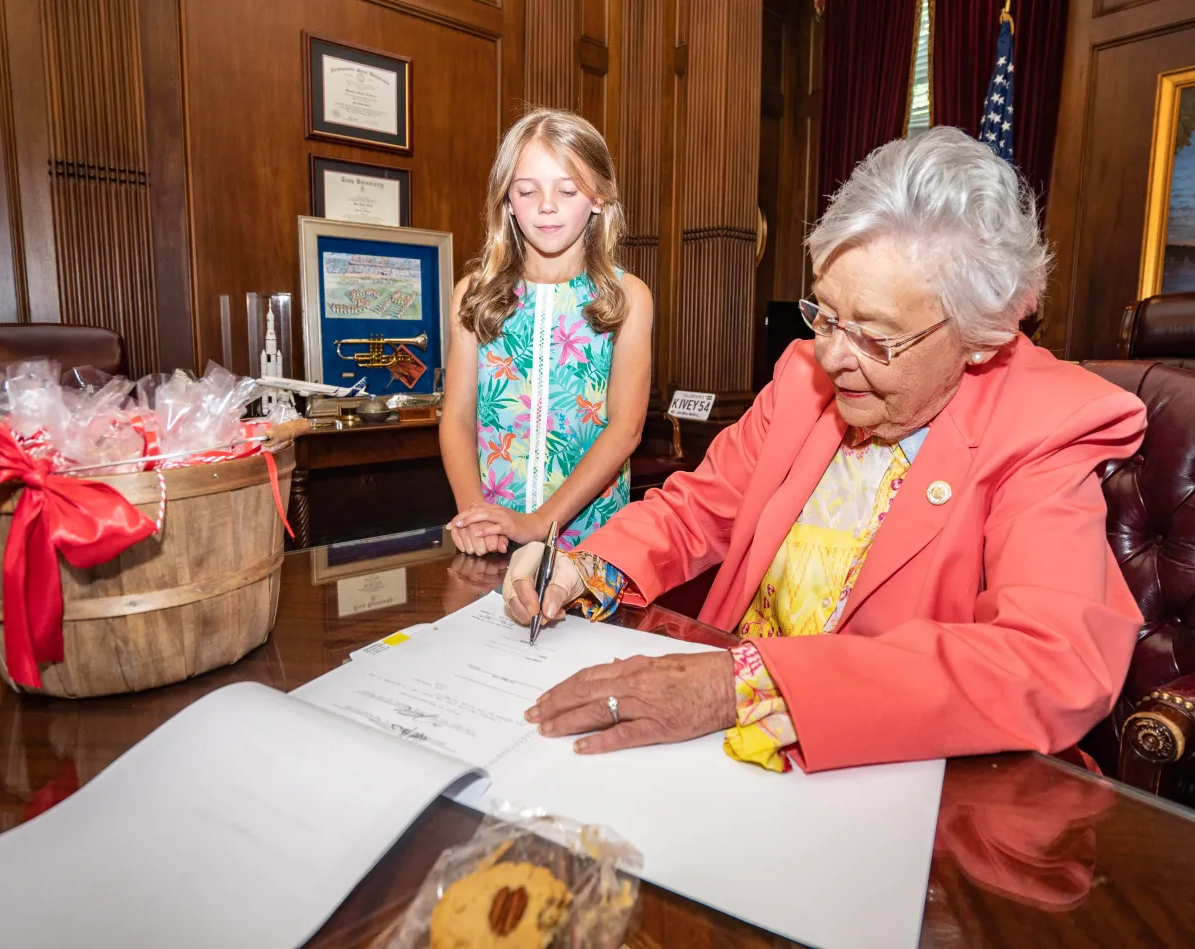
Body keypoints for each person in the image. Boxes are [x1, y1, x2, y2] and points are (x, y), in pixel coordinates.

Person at [501, 126, 1148, 774]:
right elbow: (697, 508)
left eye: (875, 336)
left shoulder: (1043, 424)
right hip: (722, 751)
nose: (833, 356)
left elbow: (1053, 659)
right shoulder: (802, 377)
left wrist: (742, 686)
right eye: (827, 315)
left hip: (894, 769)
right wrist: (587, 567)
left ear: (982, 336)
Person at [439, 108, 652, 556]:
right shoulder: (473, 295)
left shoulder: (628, 298)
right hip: (495, 539)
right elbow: (456, 417)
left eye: (567, 189)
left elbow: (626, 428)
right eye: (527, 190)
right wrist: (477, 516)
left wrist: (539, 523)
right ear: (507, 200)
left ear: (598, 197)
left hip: (592, 543)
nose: (546, 205)